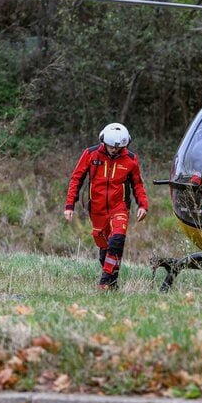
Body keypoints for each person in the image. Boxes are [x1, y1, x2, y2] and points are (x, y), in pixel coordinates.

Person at [64, 122, 149, 290]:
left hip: (120, 208)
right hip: (96, 209)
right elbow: (76, 179)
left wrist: (143, 205)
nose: (114, 150)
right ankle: (113, 282)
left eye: (118, 148)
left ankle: (104, 282)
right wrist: (69, 205)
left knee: (117, 240)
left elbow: (138, 184)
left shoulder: (131, 159)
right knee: (105, 249)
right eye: (111, 147)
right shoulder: (90, 154)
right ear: (103, 141)